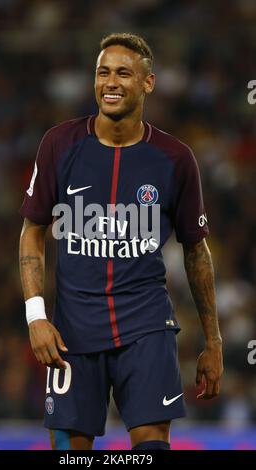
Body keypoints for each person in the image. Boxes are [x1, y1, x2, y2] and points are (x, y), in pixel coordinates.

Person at [19, 33, 223, 451]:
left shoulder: (175, 158)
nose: (110, 82)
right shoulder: (59, 144)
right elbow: (32, 232)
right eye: (103, 72)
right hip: (71, 333)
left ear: (148, 83)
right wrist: (35, 316)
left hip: (147, 327)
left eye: (123, 73)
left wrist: (213, 341)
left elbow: (196, 251)